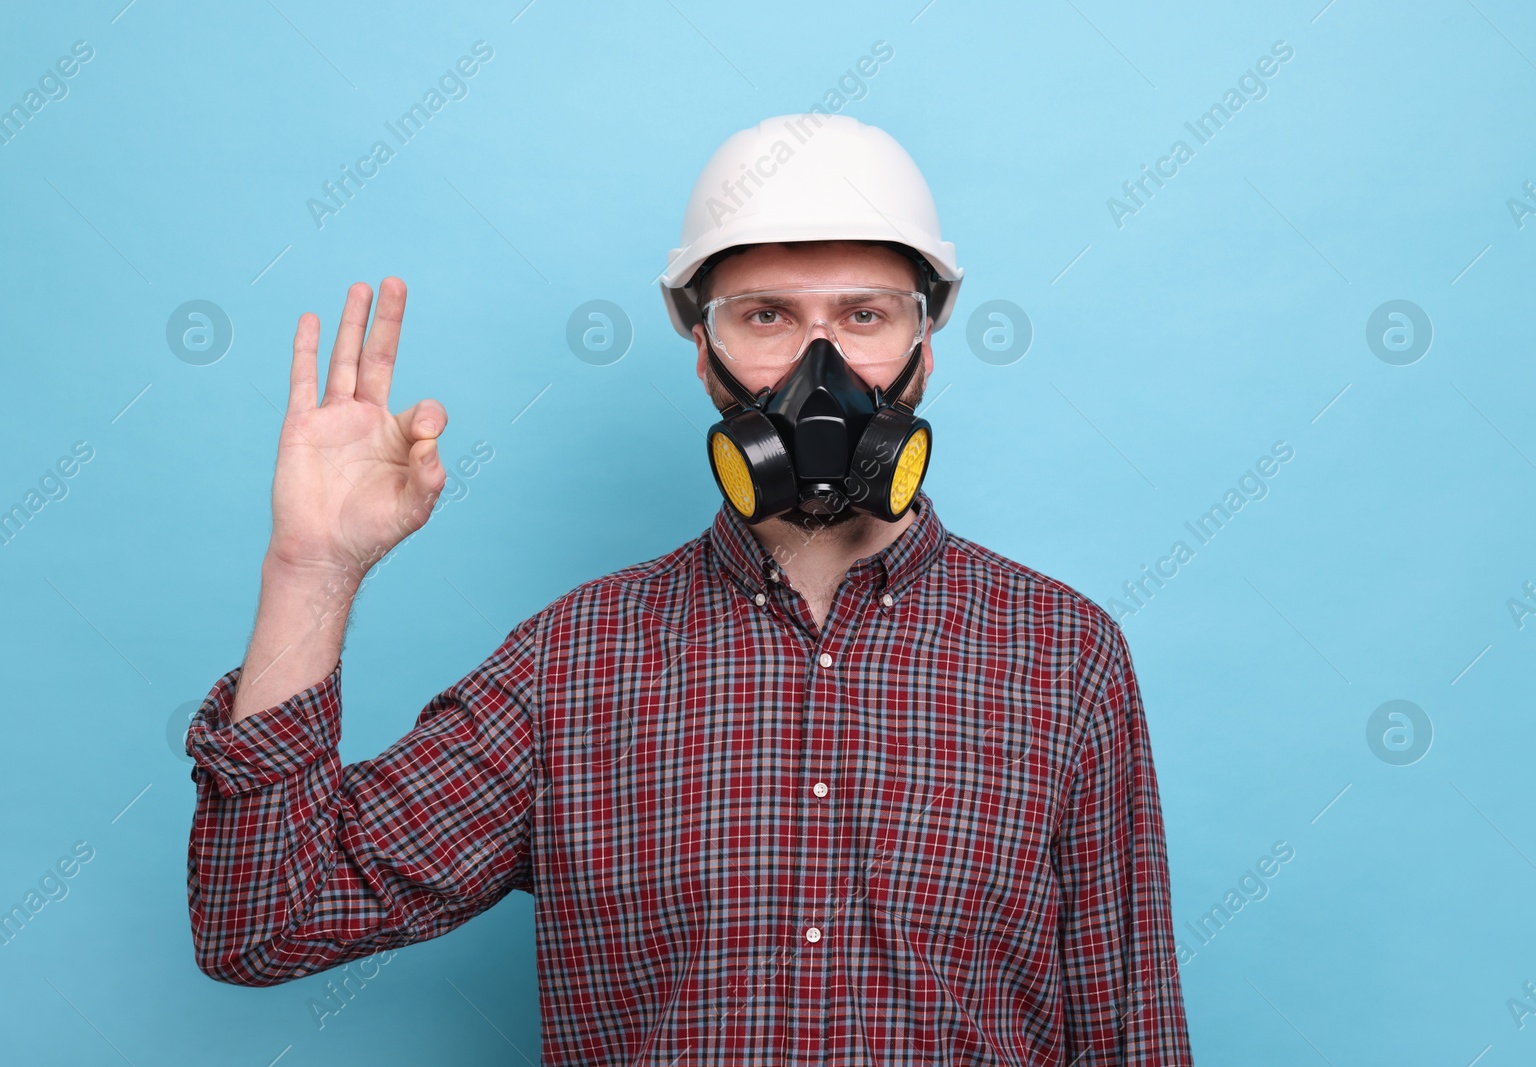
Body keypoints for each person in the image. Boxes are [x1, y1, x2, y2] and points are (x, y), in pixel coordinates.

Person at [186, 113, 1194, 1064]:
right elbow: (265, 921)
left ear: (923, 346)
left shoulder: (1063, 652)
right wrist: (310, 570)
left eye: (864, 314)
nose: (820, 363)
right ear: (704, 354)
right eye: (764, 315)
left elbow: (1131, 1030)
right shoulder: (569, 662)